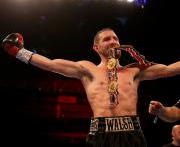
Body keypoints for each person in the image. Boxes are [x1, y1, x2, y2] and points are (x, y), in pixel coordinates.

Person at [2, 28, 180, 147]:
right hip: (100, 133)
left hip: (132, 133)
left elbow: (168, 69)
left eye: (115, 38)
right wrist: (19, 52)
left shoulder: (134, 70)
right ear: (96, 47)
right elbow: (51, 64)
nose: (113, 41)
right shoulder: (87, 69)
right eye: (107, 39)